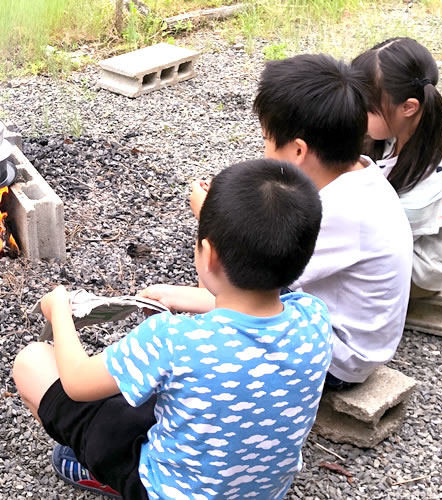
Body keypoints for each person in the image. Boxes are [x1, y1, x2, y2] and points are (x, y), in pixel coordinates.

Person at [13, 159, 333, 499]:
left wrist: (59, 310)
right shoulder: (315, 318)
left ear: (207, 254)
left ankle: (97, 472)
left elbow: (76, 382)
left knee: (32, 362)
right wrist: (176, 295)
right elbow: (257, 308)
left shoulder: (175, 339)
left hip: (165, 491)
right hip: (264, 491)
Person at [158, 54, 413, 391]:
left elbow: (234, 281)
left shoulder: (339, 212)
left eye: (266, 139)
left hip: (340, 358)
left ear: (298, 151)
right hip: (352, 330)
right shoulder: (361, 175)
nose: (264, 149)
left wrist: (211, 218)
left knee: (232, 301)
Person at [352, 37, 442, 297]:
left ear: (408, 107)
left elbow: (380, 234)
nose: (357, 113)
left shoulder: (437, 173)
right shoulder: (413, 126)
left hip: (419, 269)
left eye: (366, 109)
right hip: (403, 233)